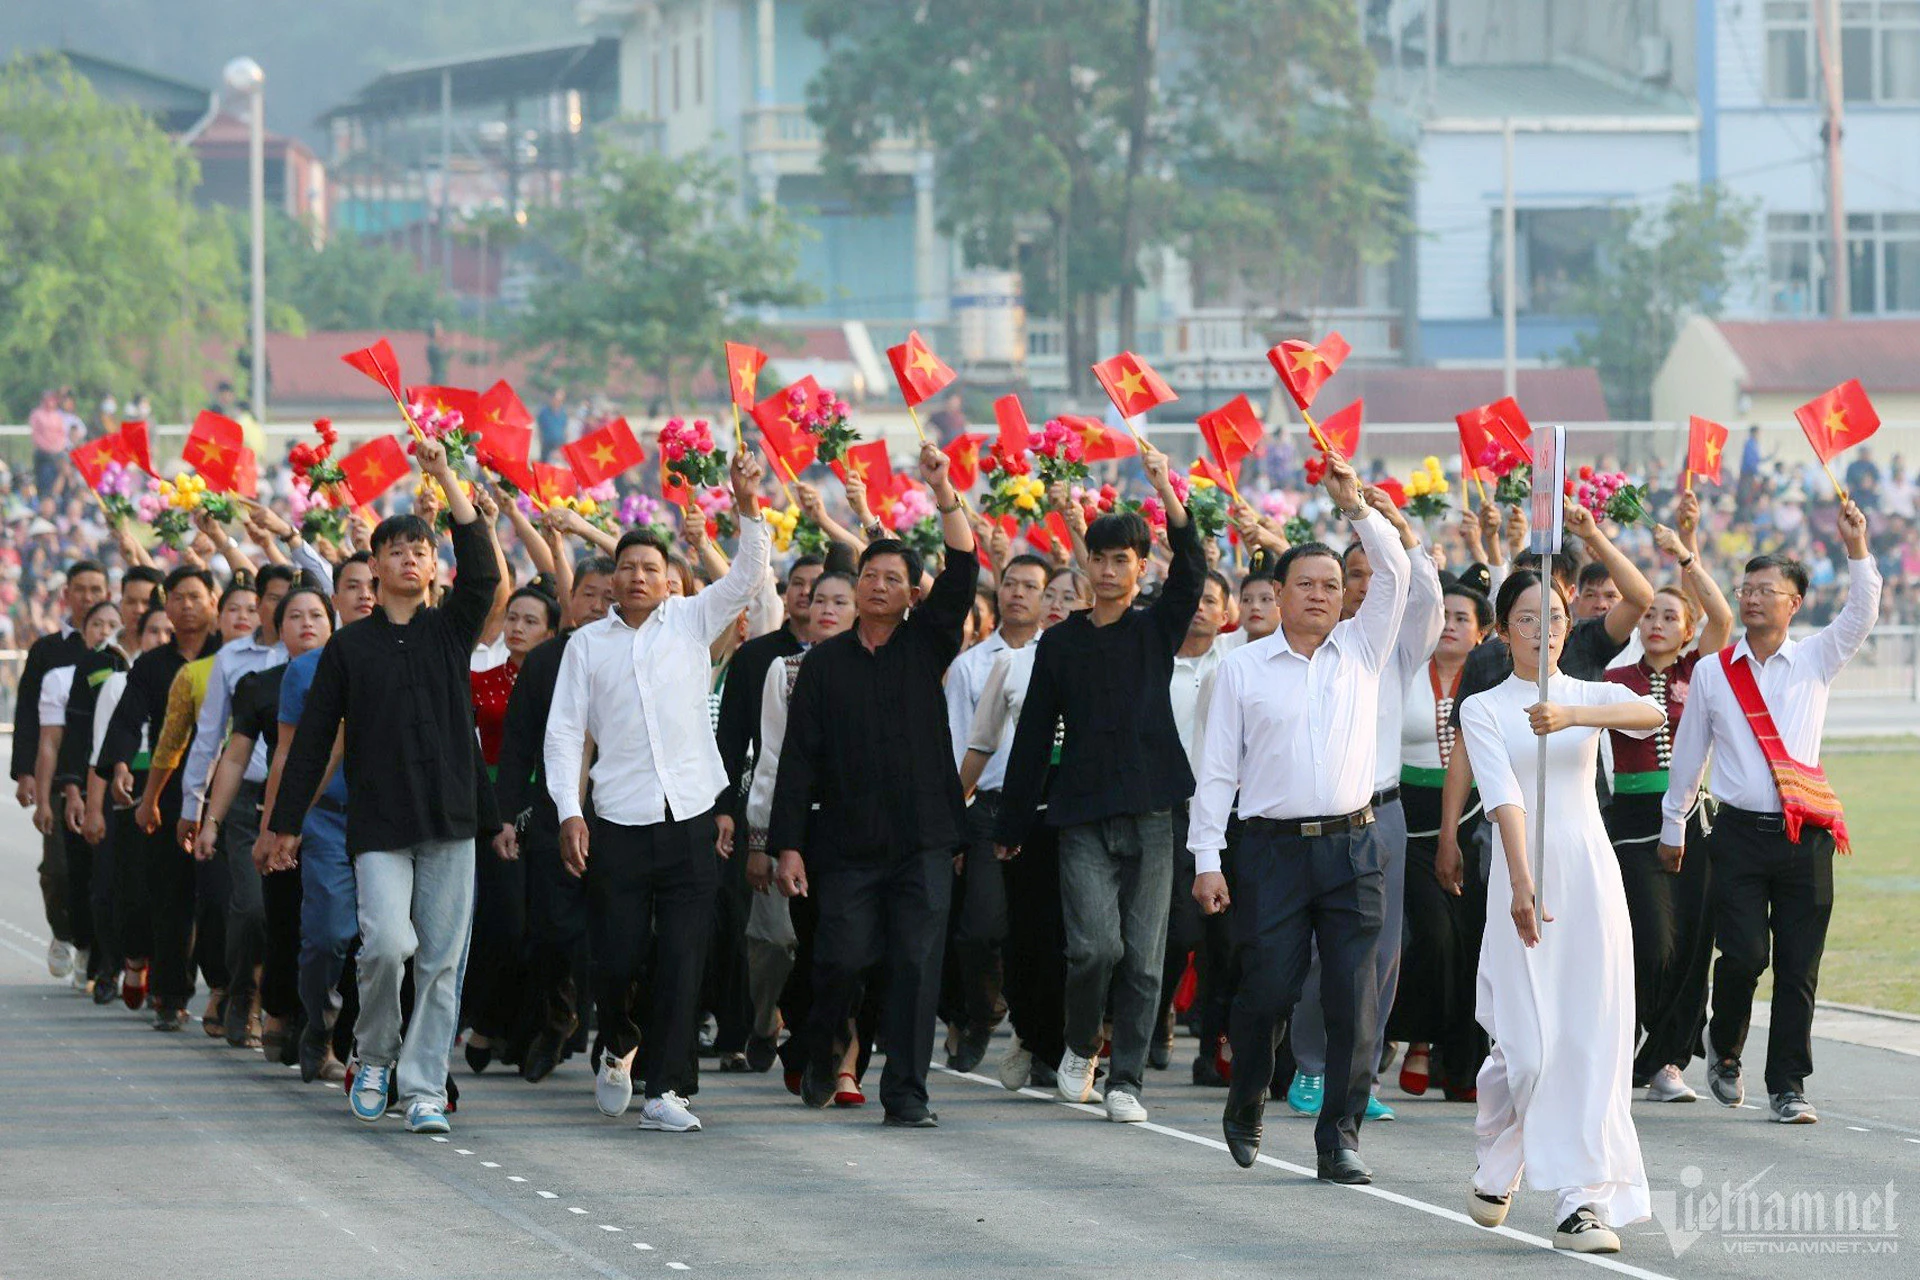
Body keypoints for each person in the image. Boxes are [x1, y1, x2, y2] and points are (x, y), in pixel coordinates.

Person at [264, 435, 501, 1135]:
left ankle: (424, 1087)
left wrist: (443, 476)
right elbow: (312, 741)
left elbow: (483, 568)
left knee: (438, 962)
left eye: (419, 551)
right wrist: (285, 825)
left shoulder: (451, 629)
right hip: (378, 825)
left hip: (450, 820)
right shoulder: (349, 645)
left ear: (432, 567)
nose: (407, 559)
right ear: (373, 567)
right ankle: (374, 1055)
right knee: (386, 947)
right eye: (394, 551)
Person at [1188, 455, 1409, 1185]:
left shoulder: (1362, 649)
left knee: (1353, 997)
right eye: (1305, 585)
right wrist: (1208, 859)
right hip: (1270, 854)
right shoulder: (1241, 670)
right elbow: (1217, 771)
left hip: (1353, 846)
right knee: (1270, 992)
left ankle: (1338, 1135)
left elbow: (1398, 574)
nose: (1320, 596)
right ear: (1276, 594)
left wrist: (1358, 510)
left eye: (1332, 586)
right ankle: (1247, 1094)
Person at [544, 447, 769, 1134]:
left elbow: (749, 575)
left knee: (682, 955)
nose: (638, 577)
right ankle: (616, 1040)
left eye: (651, 569)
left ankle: (664, 1089)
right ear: (610, 581)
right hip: (616, 820)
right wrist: (569, 812)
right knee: (614, 956)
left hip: (691, 819)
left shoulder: (694, 622)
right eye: (627, 569)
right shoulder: (587, 646)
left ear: (670, 581)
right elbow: (563, 736)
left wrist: (748, 503)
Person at [767, 442, 978, 1128]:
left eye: (893, 578)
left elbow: (966, 566)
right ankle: (825, 1047)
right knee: (839, 960)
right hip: (847, 844)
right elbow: (798, 759)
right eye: (870, 576)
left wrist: (944, 492)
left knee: (917, 967)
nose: (879, 586)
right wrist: (788, 846)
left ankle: (907, 1092)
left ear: (913, 593)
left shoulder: (927, 643)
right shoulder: (824, 665)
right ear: (854, 587)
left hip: (924, 840)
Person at [994, 443, 1202, 1124]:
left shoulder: (1155, 630)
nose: (1110, 570)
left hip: (1151, 810)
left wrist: (1166, 487)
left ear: (1142, 569)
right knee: (1093, 948)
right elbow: (1032, 737)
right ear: (1085, 565)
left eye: (1122, 560)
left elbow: (1194, 571)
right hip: (1080, 813)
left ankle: (1127, 1082)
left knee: (1144, 960)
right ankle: (1083, 1042)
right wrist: (1013, 823)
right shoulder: (1061, 642)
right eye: (1100, 558)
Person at [1456, 570, 1663, 1253]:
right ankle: (1501, 1153)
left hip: (1591, 879)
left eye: (1551, 617)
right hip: (1524, 881)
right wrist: (1519, 880)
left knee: (1591, 1039)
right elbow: (1503, 798)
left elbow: (1651, 714)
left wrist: (1574, 715)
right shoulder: (1483, 708)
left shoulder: (1584, 694)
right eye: (1524, 619)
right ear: (1501, 629)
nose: (1539, 630)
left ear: (1566, 626)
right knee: (1527, 1049)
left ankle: (1583, 1204)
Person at [1659, 498, 1879, 1124]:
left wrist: (1856, 548)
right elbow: (1691, 751)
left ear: (1794, 603)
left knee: (1799, 968)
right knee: (1746, 955)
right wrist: (1674, 824)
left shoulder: (1817, 658)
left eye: (1767, 590)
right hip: (1737, 835)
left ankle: (1789, 1084)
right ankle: (1724, 1049)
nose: (1752, 599)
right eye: (1746, 589)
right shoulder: (1713, 672)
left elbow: (1862, 613)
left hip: (1805, 836)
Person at [1284, 486, 1442, 1123]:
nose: (1365, 584)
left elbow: (1427, 597)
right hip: (1312, 817)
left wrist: (1400, 528)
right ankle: (1310, 1066)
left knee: (1379, 951)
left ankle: (1360, 1071)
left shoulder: (1397, 649)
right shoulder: (1314, 648)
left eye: (1377, 574)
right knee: (1319, 950)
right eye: (1354, 575)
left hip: (1383, 815)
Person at [1605, 501, 1733, 1102]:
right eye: (1648, 613)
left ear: (1688, 628)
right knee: (1650, 940)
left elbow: (1724, 616)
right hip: (1631, 823)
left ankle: (1666, 1062)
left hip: (1695, 820)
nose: (1655, 621)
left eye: (1670, 615)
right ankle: (1627, 1042)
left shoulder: (1702, 670)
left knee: (1693, 946)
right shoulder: (1612, 681)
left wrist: (1686, 550)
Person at [959, 565, 1088, 1093]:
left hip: (1084, 820)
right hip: (1019, 819)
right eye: (1048, 594)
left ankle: (1070, 1043)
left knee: (1078, 941)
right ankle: (1029, 1033)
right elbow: (980, 745)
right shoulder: (1012, 665)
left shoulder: (1103, 665)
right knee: (1023, 935)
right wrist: (949, 817)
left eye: (1068, 595)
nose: (1056, 603)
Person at [195, 585, 337, 1063]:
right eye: (294, 615)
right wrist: (211, 820)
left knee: (328, 927)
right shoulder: (260, 684)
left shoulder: (353, 675)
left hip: (338, 817)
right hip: (270, 812)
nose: (307, 624)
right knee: (271, 916)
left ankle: (324, 1026)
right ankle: (261, 1000)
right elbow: (235, 758)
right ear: (278, 625)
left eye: (317, 614)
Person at [492, 556, 616, 1083]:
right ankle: (556, 1017)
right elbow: (518, 744)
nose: (600, 605)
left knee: (615, 933)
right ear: (569, 600)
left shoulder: (640, 657)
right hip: (554, 812)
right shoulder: (547, 661)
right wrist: (503, 818)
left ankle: (613, 1032)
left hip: (620, 814)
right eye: (589, 593)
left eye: (611, 595)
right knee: (551, 928)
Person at [742, 569, 865, 1102]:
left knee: (857, 952)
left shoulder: (882, 669)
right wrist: (762, 841)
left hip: (868, 830)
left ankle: (842, 1060)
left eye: (842, 600)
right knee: (813, 947)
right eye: (820, 600)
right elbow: (770, 757)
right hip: (805, 828)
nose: (828, 609)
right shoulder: (784, 671)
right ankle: (813, 1046)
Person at [261, 553, 379, 1083]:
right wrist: (274, 827)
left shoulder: (406, 655)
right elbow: (285, 754)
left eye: (370, 585)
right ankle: (317, 1021)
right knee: (327, 935)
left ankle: (354, 1043)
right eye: (351, 586)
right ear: (335, 600)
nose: (363, 594)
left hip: (388, 822)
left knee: (379, 943)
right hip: (326, 819)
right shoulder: (305, 669)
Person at [95, 566, 221, 1031]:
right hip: (167, 792)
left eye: (196, 596)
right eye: (178, 598)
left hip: (224, 792)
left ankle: (225, 989)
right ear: (165, 606)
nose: (187, 606)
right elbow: (129, 721)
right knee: (169, 894)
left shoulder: (231, 655)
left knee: (218, 896)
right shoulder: (150, 665)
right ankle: (170, 995)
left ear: (213, 601)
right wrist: (122, 765)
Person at [940, 552, 1050, 1072]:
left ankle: (1041, 1036)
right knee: (980, 926)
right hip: (985, 805)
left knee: (1037, 929)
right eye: (1011, 583)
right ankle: (984, 1011)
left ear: (1047, 598)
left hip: (1044, 809)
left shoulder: (1058, 657)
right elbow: (961, 744)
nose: (1018, 593)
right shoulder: (970, 665)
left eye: (1031, 586)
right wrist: (954, 822)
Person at [1392, 582, 1493, 1102]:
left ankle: (1462, 1064)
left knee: (1470, 940)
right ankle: (1416, 1038)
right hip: (1409, 826)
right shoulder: (1404, 668)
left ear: (1482, 632)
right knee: (1432, 933)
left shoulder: (1489, 679)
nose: (1450, 625)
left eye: (1462, 617)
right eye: (1444, 615)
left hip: (1471, 822)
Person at [462, 586, 559, 1072]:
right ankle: (484, 1022)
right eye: (512, 618)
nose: (517, 627)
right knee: (504, 923)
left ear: (552, 631)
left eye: (530, 621)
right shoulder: (482, 679)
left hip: (554, 805)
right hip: (496, 807)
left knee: (545, 927)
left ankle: (528, 1028)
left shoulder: (565, 680)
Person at [11, 558, 111, 979]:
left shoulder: (118, 652)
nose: (88, 597)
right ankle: (63, 931)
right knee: (57, 868)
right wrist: (27, 772)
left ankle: (90, 944)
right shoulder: (47, 651)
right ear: (66, 593)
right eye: (81, 589)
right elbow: (29, 716)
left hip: (104, 775)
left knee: (98, 869)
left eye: (96, 590)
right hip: (58, 774)